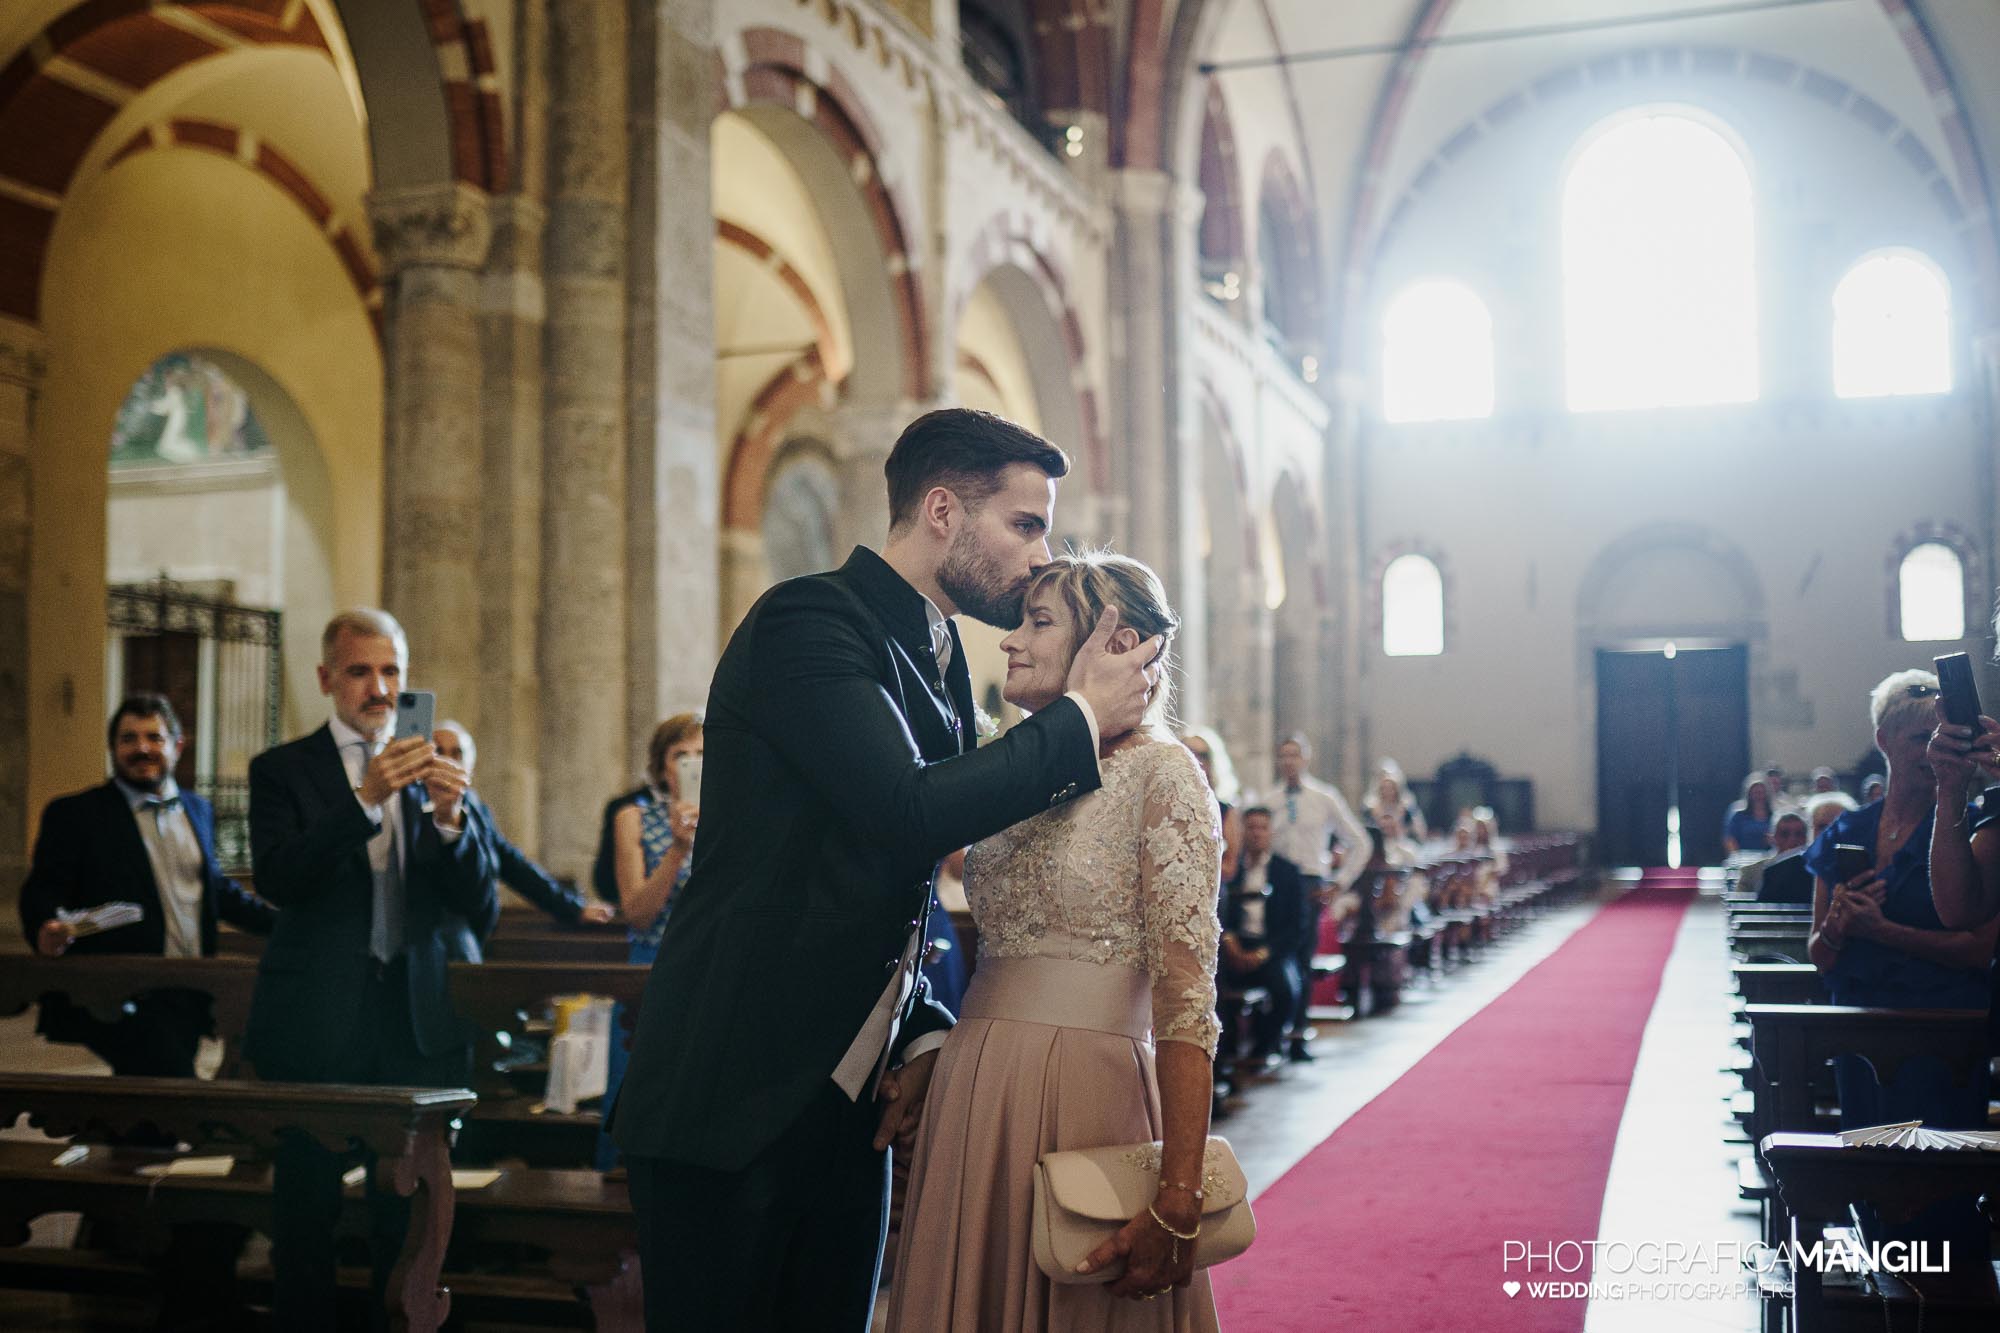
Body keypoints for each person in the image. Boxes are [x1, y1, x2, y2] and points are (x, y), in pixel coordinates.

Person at [609, 408, 1161, 1332]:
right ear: (943, 510)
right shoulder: (808, 621)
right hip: (735, 1095)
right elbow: (905, 810)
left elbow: (880, 882)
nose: (1040, 554)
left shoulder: (941, 657)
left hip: (845, 1101)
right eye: (1025, 524)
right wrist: (1077, 714)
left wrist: (920, 1032)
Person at [887, 549, 1221, 1330]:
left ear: (1121, 642)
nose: (1011, 641)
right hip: (975, 1084)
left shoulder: (1162, 777)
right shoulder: (1022, 769)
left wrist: (1180, 1190)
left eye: (1038, 622)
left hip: (1087, 1088)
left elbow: (1186, 998)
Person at [245, 608, 497, 1333]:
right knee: (304, 1218)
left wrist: (451, 819)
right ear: (326, 679)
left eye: (391, 671)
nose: (379, 688)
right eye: (361, 671)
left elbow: (479, 909)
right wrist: (364, 801)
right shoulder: (283, 771)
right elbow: (280, 878)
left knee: (406, 1222)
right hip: (317, 1023)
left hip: (414, 1024)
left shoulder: (436, 769)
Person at [20, 694, 276, 1075]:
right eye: (128, 739)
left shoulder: (198, 809)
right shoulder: (76, 814)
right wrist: (45, 927)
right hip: (118, 992)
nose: (141, 748)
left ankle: (125, 1136)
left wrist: (287, 925)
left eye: (154, 738)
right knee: (173, 1084)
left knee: (152, 1112)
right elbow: (43, 889)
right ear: (113, 748)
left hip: (191, 986)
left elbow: (219, 892)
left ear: (177, 746)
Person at [1805, 670, 1995, 1125]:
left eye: (1940, 737)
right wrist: (1837, 927)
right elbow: (1819, 953)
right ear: (1883, 741)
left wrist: (1882, 931)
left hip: (1942, 1029)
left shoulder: (1974, 829)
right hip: (1858, 1026)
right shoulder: (1846, 832)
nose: (1932, 751)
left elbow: (1979, 951)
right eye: (1918, 738)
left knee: (1939, 1175)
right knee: (1864, 1161)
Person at [596, 712, 702, 1170]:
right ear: (662, 768)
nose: (694, 764)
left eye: (703, 755)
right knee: (634, 1094)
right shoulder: (633, 817)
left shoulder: (738, 818)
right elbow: (638, 913)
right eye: (682, 756)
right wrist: (678, 849)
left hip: (709, 969)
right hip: (650, 966)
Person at [436, 720, 614, 928]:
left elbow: (513, 865)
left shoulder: (475, 807)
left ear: (470, 766)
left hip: (475, 926)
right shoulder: (413, 802)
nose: (447, 761)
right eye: (438, 752)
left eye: (457, 754)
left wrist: (573, 909)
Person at [1258, 735, 1367, 1061]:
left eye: (1295, 755)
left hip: (1309, 882)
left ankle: (1298, 1035)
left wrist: (1339, 882)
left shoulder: (1323, 797)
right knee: (1278, 953)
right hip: (1275, 883)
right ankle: (1273, 1034)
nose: (1289, 762)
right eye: (1283, 755)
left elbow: (1360, 842)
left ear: (1306, 759)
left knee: (1303, 959)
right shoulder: (1269, 798)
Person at [1215, 805, 1305, 1072]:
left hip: (1271, 948)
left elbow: (1296, 926)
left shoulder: (1286, 872)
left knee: (1285, 990)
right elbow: (1220, 909)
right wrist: (1230, 941)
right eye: (1250, 827)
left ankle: (1264, 1046)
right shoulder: (1231, 869)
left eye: (1262, 828)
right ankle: (1225, 1054)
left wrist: (1264, 953)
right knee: (1216, 989)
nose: (1256, 834)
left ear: (1271, 832)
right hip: (1232, 945)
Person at [1181, 725, 1244, 886]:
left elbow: (1230, 867)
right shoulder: (1163, 804)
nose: (1195, 760)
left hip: (1210, 886)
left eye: (1202, 755)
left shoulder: (1225, 810)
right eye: (1188, 752)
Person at [1740, 810, 1812, 903]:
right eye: (1784, 834)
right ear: (1772, 838)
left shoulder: (1816, 873)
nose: (1792, 840)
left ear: (1807, 838)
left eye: (1799, 834)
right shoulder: (1750, 873)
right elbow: (1741, 910)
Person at [1364, 758, 1429, 845]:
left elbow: (1418, 830)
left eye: (1391, 788)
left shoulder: (1407, 807)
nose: (1387, 791)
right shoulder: (1370, 807)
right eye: (1384, 787)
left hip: (1402, 844)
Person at [1722, 774, 1775, 856]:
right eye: (1756, 793)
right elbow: (1730, 840)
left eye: (1761, 792)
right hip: (1743, 860)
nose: (1759, 796)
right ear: (1749, 794)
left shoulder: (1774, 816)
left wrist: (1773, 841)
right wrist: (1736, 858)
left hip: (1768, 859)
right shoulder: (1738, 816)